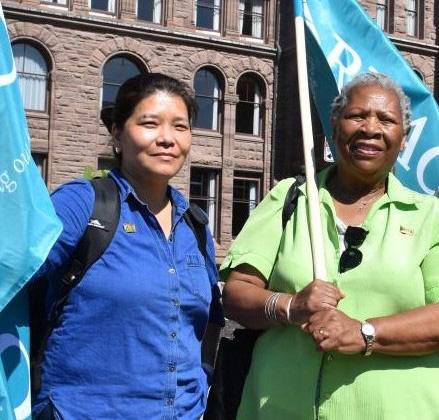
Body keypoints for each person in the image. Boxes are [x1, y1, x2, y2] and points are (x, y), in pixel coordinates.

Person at [221, 72, 439, 419]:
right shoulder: (288, 198)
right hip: (280, 408)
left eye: (386, 119)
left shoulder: (430, 216)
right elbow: (236, 294)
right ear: (335, 127)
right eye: (357, 116)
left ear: (403, 138)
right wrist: (290, 306)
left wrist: (366, 333)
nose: (370, 127)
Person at [32, 73, 224, 419]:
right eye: (149, 123)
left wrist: (202, 382)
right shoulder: (81, 205)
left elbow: (209, 319)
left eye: (180, 127)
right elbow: (11, 271)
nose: (167, 138)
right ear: (117, 133)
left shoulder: (195, 226)